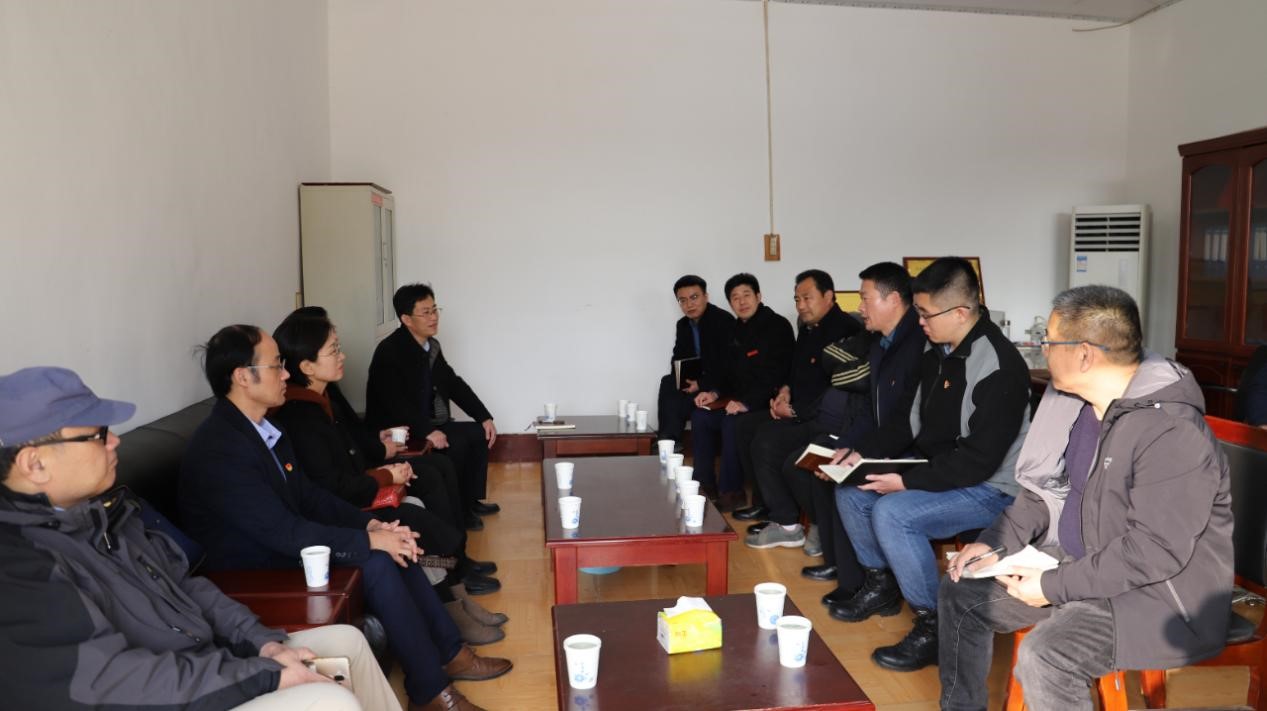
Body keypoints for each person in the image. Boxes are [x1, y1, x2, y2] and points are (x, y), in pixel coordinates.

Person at [0, 366, 400, 710]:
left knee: (348, 642)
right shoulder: (20, 564)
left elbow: (188, 587)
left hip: (206, 669)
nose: (115, 440)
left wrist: (264, 644)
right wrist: (264, 674)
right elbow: (114, 683)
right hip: (166, 697)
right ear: (35, 463)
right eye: (98, 434)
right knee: (329, 701)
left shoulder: (111, 513)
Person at [180, 325, 511, 711]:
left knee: (393, 545)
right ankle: (431, 690)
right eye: (276, 366)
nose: (285, 374)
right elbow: (282, 531)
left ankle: (450, 653)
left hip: (281, 546)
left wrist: (371, 525)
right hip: (249, 571)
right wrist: (369, 541)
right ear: (242, 376)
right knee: (377, 561)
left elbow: (309, 496)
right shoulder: (221, 449)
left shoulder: (265, 429)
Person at [939, 286, 1234, 711]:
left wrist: (1051, 586)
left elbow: (1152, 553)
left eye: (1048, 342)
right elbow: (1044, 493)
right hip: (1081, 566)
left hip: (1155, 595)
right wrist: (993, 544)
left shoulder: (1170, 430)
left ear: (1083, 355)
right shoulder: (1076, 407)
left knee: (1046, 656)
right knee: (963, 592)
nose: (1041, 350)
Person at [832, 257, 1029, 672]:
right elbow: (909, 425)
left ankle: (935, 622)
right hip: (942, 467)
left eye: (925, 314)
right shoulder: (936, 351)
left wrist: (907, 483)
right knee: (851, 490)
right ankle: (882, 585)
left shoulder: (1000, 365)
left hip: (991, 487)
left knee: (893, 512)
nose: (919, 322)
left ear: (960, 312)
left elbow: (978, 462)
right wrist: (861, 455)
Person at [271, 312, 508, 645]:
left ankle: (458, 591)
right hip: (346, 507)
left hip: (359, 484)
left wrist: (383, 458)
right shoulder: (301, 415)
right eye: (334, 349)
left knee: (433, 475)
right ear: (307, 365)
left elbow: (353, 440)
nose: (343, 355)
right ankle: (453, 604)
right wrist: (385, 474)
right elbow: (332, 486)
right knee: (417, 512)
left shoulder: (324, 396)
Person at [765, 263, 925, 599]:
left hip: (906, 447)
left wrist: (859, 453)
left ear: (893, 300)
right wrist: (850, 447)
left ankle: (860, 583)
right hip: (870, 436)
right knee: (823, 466)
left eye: (865, 299)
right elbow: (863, 402)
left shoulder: (916, 345)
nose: (860, 307)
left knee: (844, 482)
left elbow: (906, 421)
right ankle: (842, 568)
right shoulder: (880, 341)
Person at [736, 269, 860, 546]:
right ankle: (770, 506)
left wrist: (794, 412)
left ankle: (790, 524)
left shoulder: (847, 331)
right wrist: (785, 391)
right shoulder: (806, 327)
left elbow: (836, 393)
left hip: (824, 419)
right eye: (797, 299)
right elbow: (795, 370)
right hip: (798, 409)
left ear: (828, 296)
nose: (801, 305)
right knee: (745, 426)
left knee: (767, 441)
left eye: (807, 298)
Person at [366, 284, 499, 531]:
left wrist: (483, 416)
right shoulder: (390, 351)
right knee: (456, 443)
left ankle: (470, 501)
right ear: (406, 319)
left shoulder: (431, 346)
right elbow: (395, 403)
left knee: (477, 433)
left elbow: (453, 383)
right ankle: (460, 512)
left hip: (429, 421)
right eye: (425, 312)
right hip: (401, 430)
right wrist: (427, 430)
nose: (434, 317)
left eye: (435, 310)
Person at [692, 273, 794, 512]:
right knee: (701, 416)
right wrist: (714, 393)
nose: (741, 302)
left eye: (746, 295)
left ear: (758, 296)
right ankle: (704, 485)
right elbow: (725, 371)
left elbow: (777, 375)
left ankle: (732, 492)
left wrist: (745, 403)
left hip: (767, 403)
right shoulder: (734, 329)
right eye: (735, 298)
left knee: (732, 423)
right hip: (735, 401)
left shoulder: (777, 326)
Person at [656, 274, 735, 447]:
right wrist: (682, 380)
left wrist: (700, 384)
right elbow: (677, 358)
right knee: (669, 382)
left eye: (694, 297)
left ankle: (669, 440)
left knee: (678, 404)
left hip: (720, 382)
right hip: (697, 379)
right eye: (683, 300)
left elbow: (729, 366)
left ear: (706, 297)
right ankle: (668, 440)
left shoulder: (723, 321)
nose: (689, 304)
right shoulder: (683, 325)